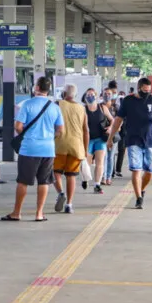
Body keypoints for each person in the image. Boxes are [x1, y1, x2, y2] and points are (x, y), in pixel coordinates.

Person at [2, 77, 64, 222]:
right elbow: (60, 130)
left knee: (23, 182)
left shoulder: (27, 105)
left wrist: (25, 134)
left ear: (36, 87)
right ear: (48, 89)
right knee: (44, 182)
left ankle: (17, 213)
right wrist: (49, 137)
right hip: (48, 149)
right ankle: (39, 213)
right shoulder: (55, 107)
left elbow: (18, 126)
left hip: (29, 149)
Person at [108, 77, 152, 209]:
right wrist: (111, 137)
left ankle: (141, 189)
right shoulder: (128, 101)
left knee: (150, 171)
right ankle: (138, 197)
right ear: (138, 88)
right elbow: (118, 120)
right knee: (136, 169)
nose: (147, 93)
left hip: (150, 140)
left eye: (149, 90)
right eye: (145, 90)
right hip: (133, 140)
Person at [53, 84, 89, 214]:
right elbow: (86, 130)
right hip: (76, 146)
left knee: (55, 172)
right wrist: (85, 149)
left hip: (59, 144)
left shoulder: (57, 104)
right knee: (71, 176)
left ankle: (61, 193)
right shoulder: (82, 108)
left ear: (63, 93)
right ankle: (69, 204)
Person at [83, 87, 114, 194]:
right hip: (87, 140)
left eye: (92, 95)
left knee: (99, 162)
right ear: (85, 97)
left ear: (96, 96)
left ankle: (97, 184)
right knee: (86, 163)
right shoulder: (83, 109)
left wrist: (110, 128)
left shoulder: (102, 107)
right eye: (88, 95)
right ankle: (86, 179)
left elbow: (112, 120)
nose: (90, 97)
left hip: (100, 139)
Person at [102, 88, 119, 186]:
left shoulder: (116, 107)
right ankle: (103, 177)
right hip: (103, 135)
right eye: (105, 93)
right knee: (104, 156)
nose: (107, 95)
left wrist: (114, 128)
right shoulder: (100, 106)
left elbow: (120, 120)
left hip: (114, 135)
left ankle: (108, 177)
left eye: (109, 94)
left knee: (110, 157)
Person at [115, 91, 127, 177]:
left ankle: (118, 170)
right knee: (116, 152)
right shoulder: (113, 108)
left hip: (123, 133)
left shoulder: (127, 109)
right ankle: (113, 171)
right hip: (115, 133)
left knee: (121, 151)